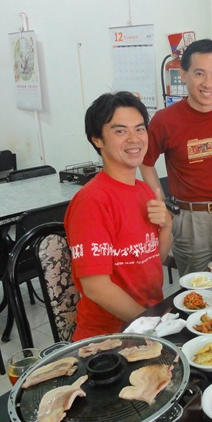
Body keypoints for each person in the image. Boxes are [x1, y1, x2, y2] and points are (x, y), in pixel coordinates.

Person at [140, 39, 212, 276]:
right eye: (199, 73)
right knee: (197, 286)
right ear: (184, 74)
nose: (207, 83)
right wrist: (160, 201)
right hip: (190, 220)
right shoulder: (165, 119)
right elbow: (145, 162)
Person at [65, 91, 172, 341]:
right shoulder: (92, 202)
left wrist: (167, 225)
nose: (134, 139)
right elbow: (96, 287)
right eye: (120, 131)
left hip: (147, 321)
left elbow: (153, 259)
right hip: (108, 337)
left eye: (140, 129)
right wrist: (151, 324)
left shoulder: (144, 191)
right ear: (97, 139)